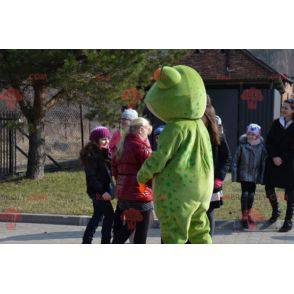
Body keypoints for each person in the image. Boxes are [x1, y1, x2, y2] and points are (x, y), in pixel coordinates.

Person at [137, 65, 214, 244]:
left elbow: (160, 157)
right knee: (200, 230)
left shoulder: (175, 127)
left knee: (174, 233)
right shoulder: (200, 126)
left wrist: (143, 174)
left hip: (177, 191)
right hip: (202, 188)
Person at [112, 117, 153, 244]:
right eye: (147, 131)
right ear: (141, 130)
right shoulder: (142, 148)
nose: (148, 135)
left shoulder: (122, 145)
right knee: (141, 234)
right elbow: (150, 173)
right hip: (140, 196)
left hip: (124, 196)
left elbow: (114, 169)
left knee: (129, 227)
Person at [80, 126, 115, 244]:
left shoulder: (102, 152)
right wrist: (102, 192)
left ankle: (86, 241)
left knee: (98, 216)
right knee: (109, 215)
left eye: (108, 138)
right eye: (103, 139)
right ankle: (105, 241)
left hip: (102, 190)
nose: (107, 141)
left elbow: (108, 169)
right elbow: (92, 178)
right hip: (97, 192)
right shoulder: (91, 156)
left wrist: (107, 154)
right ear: (95, 140)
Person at [264, 98, 294, 232]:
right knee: (269, 187)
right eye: (283, 107)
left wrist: (283, 158)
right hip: (274, 161)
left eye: (286, 108)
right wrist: (274, 156)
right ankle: (276, 211)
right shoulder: (276, 123)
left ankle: (288, 220)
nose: (283, 109)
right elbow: (269, 141)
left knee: (290, 193)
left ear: (293, 110)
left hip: (290, 164)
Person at [232, 123, 267, 229]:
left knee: (251, 195)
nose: (251, 136)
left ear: (257, 135)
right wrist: (234, 175)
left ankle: (249, 213)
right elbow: (235, 161)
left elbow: (264, 161)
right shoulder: (242, 146)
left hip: (255, 175)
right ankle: (244, 217)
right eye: (249, 134)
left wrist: (262, 175)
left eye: (253, 134)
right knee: (245, 194)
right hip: (244, 174)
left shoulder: (261, 147)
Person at [202, 104, 231, 236]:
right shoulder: (195, 133)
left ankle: (209, 240)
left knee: (209, 212)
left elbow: (226, 158)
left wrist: (219, 178)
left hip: (212, 181)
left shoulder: (218, 135)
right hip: (195, 181)